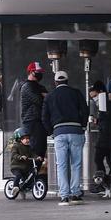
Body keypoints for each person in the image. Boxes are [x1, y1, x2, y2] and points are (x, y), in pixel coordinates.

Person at [42, 70, 88, 206]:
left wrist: (51, 131)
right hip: (75, 130)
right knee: (76, 164)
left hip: (59, 132)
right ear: (67, 81)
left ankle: (64, 196)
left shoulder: (50, 96)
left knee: (61, 165)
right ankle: (75, 193)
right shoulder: (76, 93)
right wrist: (83, 126)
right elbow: (85, 110)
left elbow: (44, 117)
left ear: (55, 82)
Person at [89, 81, 111, 193]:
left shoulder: (106, 103)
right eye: (92, 98)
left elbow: (109, 121)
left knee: (100, 158)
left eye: (95, 96)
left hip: (107, 137)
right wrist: (98, 121)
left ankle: (104, 182)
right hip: (110, 137)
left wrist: (100, 123)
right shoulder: (107, 103)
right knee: (110, 161)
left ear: (101, 93)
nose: (94, 99)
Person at [20, 61, 49, 157]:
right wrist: (43, 96)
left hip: (40, 121)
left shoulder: (40, 87)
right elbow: (39, 100)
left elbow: (48, 99)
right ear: (31, 72)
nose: (40, 74)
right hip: (31, 122)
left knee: (41, 149)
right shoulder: (26, 86)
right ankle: (33, 170)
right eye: (38, 72)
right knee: (35, 149)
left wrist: (44, 96)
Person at [9, 127, 43, 198]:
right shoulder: (15, 146)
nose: (28, 140)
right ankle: (15, 187)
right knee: (18, 175)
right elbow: (14, 154)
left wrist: (37, 157)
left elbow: (33, 154)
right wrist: (20, 157)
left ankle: (22, 189)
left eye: (28, 139)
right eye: (25, 139)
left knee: (28, 178)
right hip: (16, 167)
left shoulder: (29, 147)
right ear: (20, 139)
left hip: (25, 168)